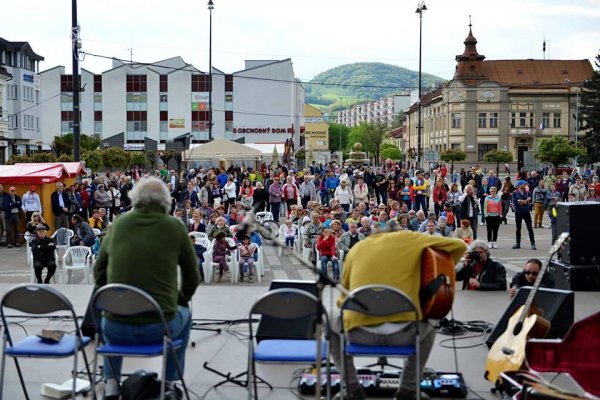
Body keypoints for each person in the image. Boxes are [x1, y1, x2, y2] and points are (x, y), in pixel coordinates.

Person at [94, 176, 200, 400]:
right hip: (159, 325)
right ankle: (169, 383)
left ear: (135, 198)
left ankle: (111, 386)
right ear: (166, 201)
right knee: (186, 314)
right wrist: (179, 300)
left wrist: (110, 298)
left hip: (115, 325)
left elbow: (99, 270)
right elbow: (193, 276)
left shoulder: (119, 224)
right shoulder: (175, 227)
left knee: (109, 324)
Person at [330, 231, 465, 400]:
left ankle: (350, 386)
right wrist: (434, 274)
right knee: (434, 316)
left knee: (328, 318)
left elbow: (343, 301)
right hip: (406, 334)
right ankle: (409, 388)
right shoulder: (412, 238)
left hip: (359, 334)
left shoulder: (357, 247)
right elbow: (460, 246)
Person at [512, 180, 536, 250]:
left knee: (529, 228)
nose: (526, 185)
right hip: (518, 212)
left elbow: (529, 200)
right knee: (518, 228)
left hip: (526, 211)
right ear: (519, 185)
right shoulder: (515, 193)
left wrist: (522, 201)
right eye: (524, 184)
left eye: (526, 184)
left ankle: (533, 243)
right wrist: (524, 201)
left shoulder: (527, 192)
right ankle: (517, 243)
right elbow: (515, 202)